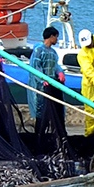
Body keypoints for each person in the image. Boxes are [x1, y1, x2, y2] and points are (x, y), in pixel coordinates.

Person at [29, 26, 66, 154]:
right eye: (56, 36)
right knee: (41, 114)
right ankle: (38, 143)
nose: (57, 39)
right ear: (51, 36)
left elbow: (55, 66)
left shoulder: (53, 53)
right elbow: (35, 67)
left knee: (56, 114)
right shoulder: (39, 50)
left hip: (52, 87)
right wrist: (42, 79)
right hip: (41, 89)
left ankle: (59, 143)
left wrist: (60, 73)